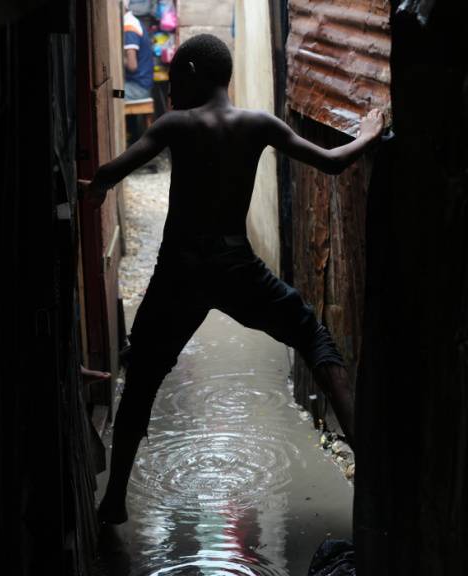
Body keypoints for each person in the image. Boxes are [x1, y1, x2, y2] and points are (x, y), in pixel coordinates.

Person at [84, 33, 385, 525]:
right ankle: (370, 465)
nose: (170, 90)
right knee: (312, 336)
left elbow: (110, 172)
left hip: (180, 270)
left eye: (175, 78)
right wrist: (369, 134)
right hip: (234, 266)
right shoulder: (258, 124)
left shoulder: (175, 125)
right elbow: (333, 163)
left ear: (193, 73)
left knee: (141, 380)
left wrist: (94, 190)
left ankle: (114, 500)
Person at [122, 0, 154, 144]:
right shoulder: (133, 21)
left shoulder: (129, 27)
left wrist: (116, 59)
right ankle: (132, 136)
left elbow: (132, 65)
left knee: (112, 95)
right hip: (141, 85)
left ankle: (127, 138)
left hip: (138, 89)